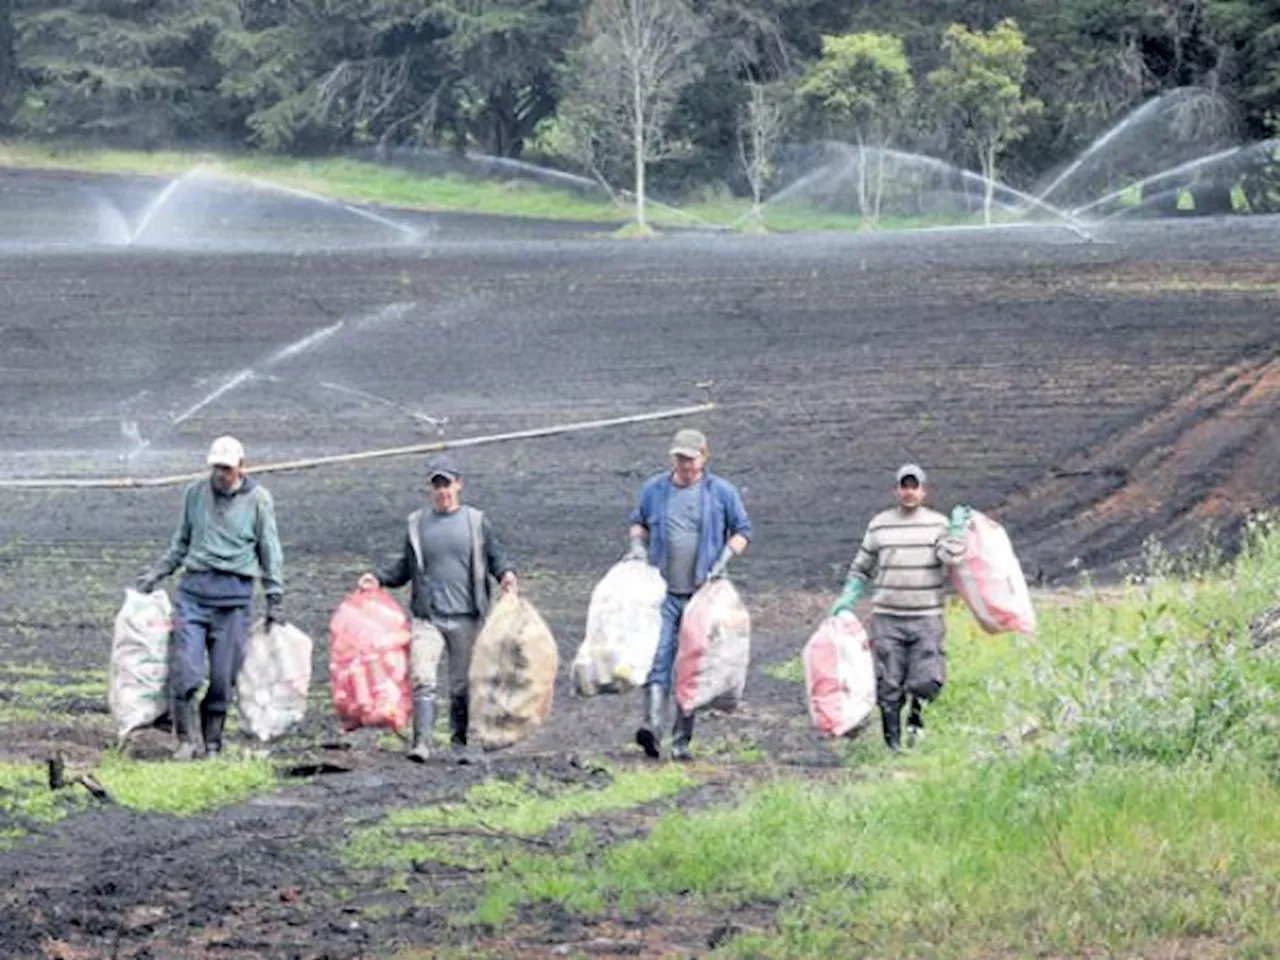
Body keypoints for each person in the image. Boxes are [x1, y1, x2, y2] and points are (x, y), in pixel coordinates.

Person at [360, 454, 517, 762]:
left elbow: (496, 556)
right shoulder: (417, 524)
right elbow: (404, 568)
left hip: (467, 617)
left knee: (462, 683)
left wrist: (507, 575)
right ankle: (422, 742)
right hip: (427, 616)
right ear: (429, 489)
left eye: (447, 484)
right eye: (437, 485)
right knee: (422, 676)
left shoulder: (476, 521)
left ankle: (460, 743)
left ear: (459, 484)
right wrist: (378, 578)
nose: (442, 491)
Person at [137, 435, 284, 761]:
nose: (221, 475)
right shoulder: (194, 495)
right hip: (194, 596)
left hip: (234, 602)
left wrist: (275, 596)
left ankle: (213, 742)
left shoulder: (258, 500)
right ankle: (186, 740)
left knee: (222, 678)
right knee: (187, 672)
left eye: (227, 469)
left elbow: (269, 549)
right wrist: (157, 573)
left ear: (242, 468)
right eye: (216, 468)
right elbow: (181, 542)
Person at [627, 428, 752, 761]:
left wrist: (724, 559)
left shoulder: (720, 493)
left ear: (703, 457)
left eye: (690, 458)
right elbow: (638, 523)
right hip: (661, 593)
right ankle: (652, 727)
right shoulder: (655, 489)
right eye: (679, 458)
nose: (684, 465)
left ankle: (681, 739)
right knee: (658, 658)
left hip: (701, 597)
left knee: (692, 664)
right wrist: (638, 547)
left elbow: (742, 531)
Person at [830, 463, 969, 751]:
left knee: (926, 679)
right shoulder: (880, 524)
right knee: (888, 682)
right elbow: (861, 567)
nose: (909, 491)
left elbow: (951, 558)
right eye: (904, 486)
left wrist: (956, 531)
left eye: (914, 486)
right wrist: (849, 595)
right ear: (896, 490)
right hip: (887, 617)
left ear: (923, 491)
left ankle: (915, 728)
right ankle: (893, 744)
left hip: (926, 616)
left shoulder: (938, 524)